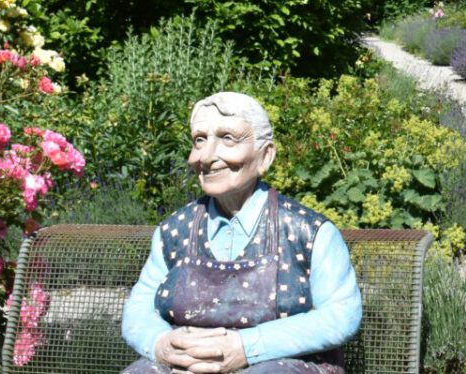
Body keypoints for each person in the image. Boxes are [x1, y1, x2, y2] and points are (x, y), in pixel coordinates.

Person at [120, 92, 361, 374]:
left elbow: (341, 314)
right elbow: (140, 308)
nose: (207, 156)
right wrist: (163, 344)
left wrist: (247, 347)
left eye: (228, 138)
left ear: (265, 155)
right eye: (200, 140)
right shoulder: (173, 231)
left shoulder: (309, 232)